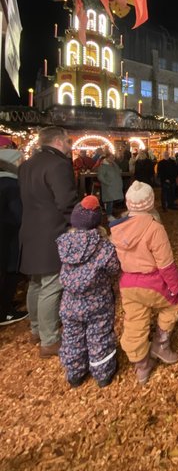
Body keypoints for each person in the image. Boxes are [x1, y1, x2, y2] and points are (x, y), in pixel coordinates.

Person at [109, 181, 178, 385]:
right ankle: (161, 344)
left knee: (134, 321)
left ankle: (141, 364)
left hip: (128, 284)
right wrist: (176, 288)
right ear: (150, 202)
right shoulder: (154, 228)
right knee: (174, 305)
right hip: (152, 283)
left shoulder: (117, 228)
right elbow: (166, 264)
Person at [19, 126, 78, 357]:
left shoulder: (26, 165)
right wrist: (78, 224)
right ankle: (49, 339)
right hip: (51, 233)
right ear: (58, 141)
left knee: (35, 283)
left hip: (29, 231)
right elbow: (66, 202)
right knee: (52, 286)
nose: (69, 144)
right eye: (68, 140)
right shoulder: (58, 165)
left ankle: (36, 329)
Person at [56, 196, 120, 388]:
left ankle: (75, 373)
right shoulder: (103, 246)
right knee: (99, 335)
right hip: (97, 302)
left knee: (72, 336)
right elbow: (114, 268)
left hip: (69, 303)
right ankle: (103, 373)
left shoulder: (64, 244)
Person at [0, 144, 28, 325]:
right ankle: (4, 311)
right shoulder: (11, 185)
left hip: (4, 234)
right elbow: (19, 214)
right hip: (9, 237)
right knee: (10, 271)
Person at [96, 151, 124, 221]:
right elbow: (100, 176)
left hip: (116, 186)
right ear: (107, 158)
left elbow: (118, 171)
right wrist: (107, 182)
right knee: (110, 200)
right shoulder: (103, 166)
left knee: (119, 199)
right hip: (108, 187)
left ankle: (108, 210)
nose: (112, 158)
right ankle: (109, 215)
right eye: (110, 157)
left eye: (113, 157)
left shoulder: (114, 164)